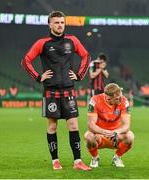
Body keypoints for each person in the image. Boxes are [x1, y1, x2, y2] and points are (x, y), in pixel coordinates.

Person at [21, 11, 91, 171]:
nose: (60, 25)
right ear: (50, 24)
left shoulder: (72, 40)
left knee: (73, 125)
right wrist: (38, 77)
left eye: (62, 22)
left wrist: (79, 75)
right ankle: (55, 161)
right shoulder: (42, 43)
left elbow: (86, 56)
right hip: (50, 90)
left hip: (69, 89)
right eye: (56, 22)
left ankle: (78, 161)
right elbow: (25, 61)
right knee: (52, 127)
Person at [84, 83, 134, 168]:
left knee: (130, 136)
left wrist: (116, 132)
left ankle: (117, 158)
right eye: (116, 98)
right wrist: (103, 131)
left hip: (115, 136)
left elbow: (127, 125)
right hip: (99, 135)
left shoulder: (124, 101)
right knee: (88, 136)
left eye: (118, 97)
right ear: (107, 97)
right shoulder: (94, 100)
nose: (119, 99)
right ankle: (95, 158)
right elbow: (91, 125)